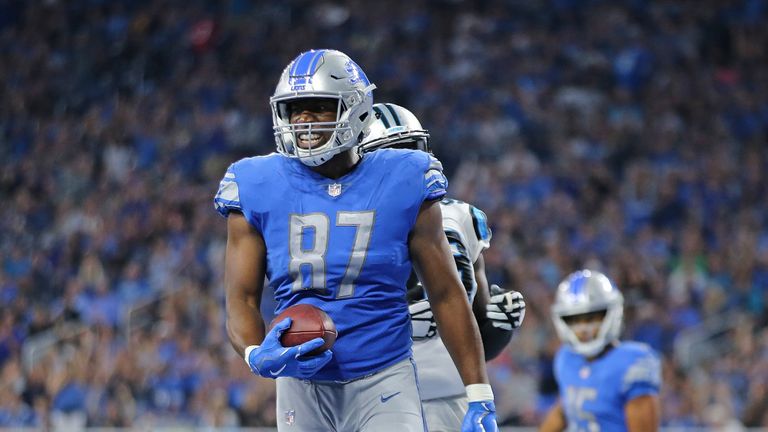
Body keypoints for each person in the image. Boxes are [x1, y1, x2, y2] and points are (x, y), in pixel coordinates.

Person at [214, 49, 497, 432]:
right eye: (294, 109)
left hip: (384, 376)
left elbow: (446, 292)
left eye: (317, 107)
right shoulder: (255, 183)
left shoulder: (405, 176)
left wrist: (479, 394)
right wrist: (253, 353)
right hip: (301, 382)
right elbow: (241, 299)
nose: (303, 120)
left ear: (356, 108)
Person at [359, 102, 526, 431]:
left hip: (456, 398)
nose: (404, 170)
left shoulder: (462, 218)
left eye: (410, 153)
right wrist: (400, 324)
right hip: (377, 402)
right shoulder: (347, 229)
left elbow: (476, 336)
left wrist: (499, 325)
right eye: (390, 159)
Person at [540, 270, 661, 432]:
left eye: (591, 318)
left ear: (613, 313)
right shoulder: (566, 358)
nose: (584, 329)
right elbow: (565, 410)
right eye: (575, 320)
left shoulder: (632, 362)